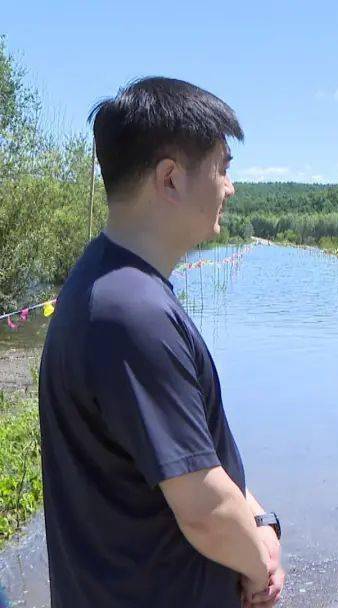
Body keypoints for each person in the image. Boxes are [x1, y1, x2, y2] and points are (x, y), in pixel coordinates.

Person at [37, 77, 284, 608]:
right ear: (170, 179)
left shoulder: (106, 285)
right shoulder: (131, 315)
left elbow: (203, 459)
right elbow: (204, 510)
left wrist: (260, 522)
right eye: (222, 167)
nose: (230, 187)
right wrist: (259, 565)